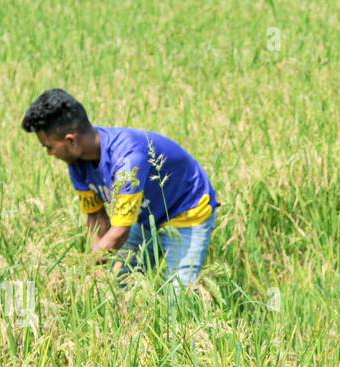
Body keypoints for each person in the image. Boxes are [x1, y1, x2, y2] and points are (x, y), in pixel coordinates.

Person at [20, 88, 219, 287]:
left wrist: (82, 270)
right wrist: (97, 266)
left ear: (70, 140)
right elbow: (96, 218)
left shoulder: (127, 159)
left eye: (49, 147)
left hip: (187, 211)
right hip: (143, 216)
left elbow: (120, 231)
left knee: (178, 294)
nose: (49, 154)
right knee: (122, 285)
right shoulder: (77, 164)